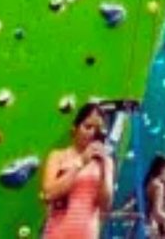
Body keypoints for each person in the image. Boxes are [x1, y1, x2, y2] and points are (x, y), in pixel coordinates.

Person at [42, 102, 116, 239]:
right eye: (88, 127)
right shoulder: (57, 156)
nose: (92, 133)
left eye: (98, 129)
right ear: (75, 128)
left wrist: (105, 169)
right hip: (57, 233)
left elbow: (105, 205)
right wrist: (81, 162)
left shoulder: (105, 162)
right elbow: (48, 194)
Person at [145, 156, 165, 239]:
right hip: (153, 229)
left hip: (145, 226)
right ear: (163, 169)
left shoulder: (149, 182)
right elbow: (157, 213)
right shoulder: (159, 186)